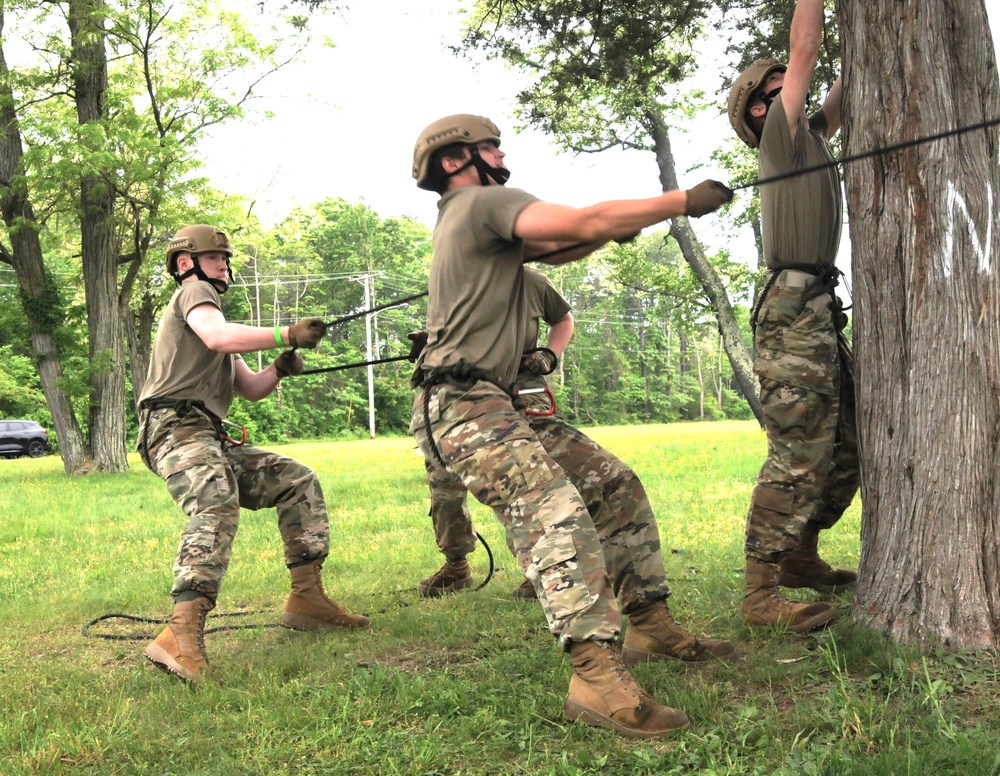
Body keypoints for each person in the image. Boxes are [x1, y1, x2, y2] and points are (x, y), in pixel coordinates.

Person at [409, 113, 734, 739]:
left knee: (614, 484)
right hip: (462, 401)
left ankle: (650, 625)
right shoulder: (479, 201)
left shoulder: (474, 220)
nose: (503, 154)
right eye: (490, 145)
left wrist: (624, 226)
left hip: (497, 399)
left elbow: (571, 243)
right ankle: (594, 676)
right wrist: (682, 201)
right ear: (455, 161)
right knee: (550, 508)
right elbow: (584, 222)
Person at [136, 224, 369, 684]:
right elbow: (220, 337)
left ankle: (306, 600)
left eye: (224, 257)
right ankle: (178, 638)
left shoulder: (215, 320)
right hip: (173, 426)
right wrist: (285, 334)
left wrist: (278, 368)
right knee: (215, 501)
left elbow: (251, 388)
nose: (223, 263)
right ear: (186, 263)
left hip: (204, 431)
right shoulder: (194, 294)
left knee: (295, 479)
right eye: (214, 255)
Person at [726, 0, 859, 634]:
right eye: (780, 89)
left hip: (818, 308)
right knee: (797, 452)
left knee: (847, 447)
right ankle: (760, 592)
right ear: (761, 109)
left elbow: (844, 84)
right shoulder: (779, 136)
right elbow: (805, 49)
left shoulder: (809, 139)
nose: (793, 92)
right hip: (791, 309)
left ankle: (801, 554)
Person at [417, 265, 573, 600]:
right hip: (458, 393)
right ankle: (456, 565)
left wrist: (549, 354)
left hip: (518, 390)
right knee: (444, 482)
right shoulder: (455, 279)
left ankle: (541, 571)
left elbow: (563, 319)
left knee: (523, 481)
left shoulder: (532, 282)